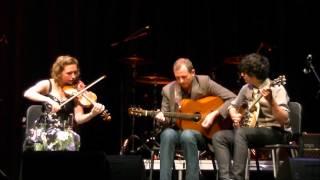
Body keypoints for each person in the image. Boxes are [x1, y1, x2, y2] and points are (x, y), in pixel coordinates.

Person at [212, 53, 291, 180]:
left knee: (242, 133)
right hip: (250, 132)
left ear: (254, 74)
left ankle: (238, 177)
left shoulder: (277, 88)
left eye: (244, 72)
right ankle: (225, 178)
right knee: (219, 137)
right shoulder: (246, 88)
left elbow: (284, 120)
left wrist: (271, 102)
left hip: (275, 132)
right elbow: (232, 106)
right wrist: (234, 114)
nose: (242, 75)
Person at [155, 57, 236, 180]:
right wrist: (161, 119)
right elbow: (167, 119)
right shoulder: (168, 90)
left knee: (187, 135)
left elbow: (233, 98)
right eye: (177, 78)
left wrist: (214, 114)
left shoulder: (204, 82)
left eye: (184, 77)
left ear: (193, 72)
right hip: (178, 131)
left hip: (204, 133)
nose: (181, 81)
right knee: (167, 134)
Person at [23, 55, 105, 151]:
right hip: (45, 130)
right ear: (59, 73)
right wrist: (49, 100)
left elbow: (78, 119)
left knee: (71, 138)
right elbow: (28, 93)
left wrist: (91, 114)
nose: (73, 76)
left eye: (75, 72)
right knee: (63, 139)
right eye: (69, 73)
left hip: (66, 133)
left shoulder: (76, 90)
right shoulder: (48, 84)